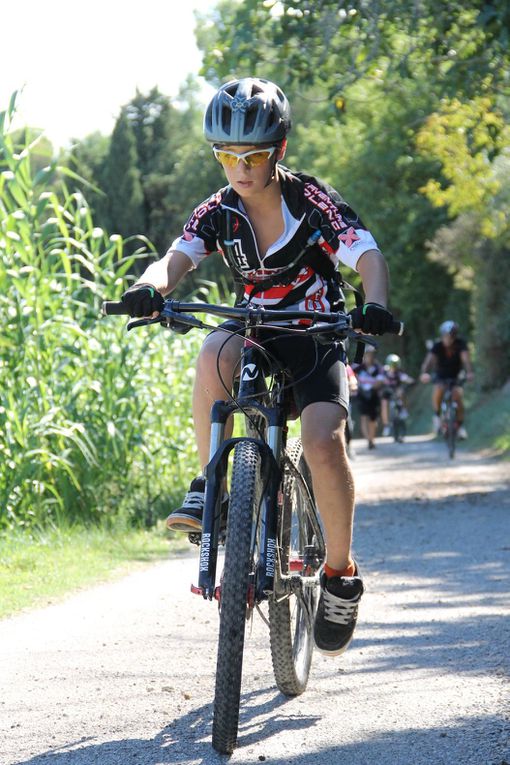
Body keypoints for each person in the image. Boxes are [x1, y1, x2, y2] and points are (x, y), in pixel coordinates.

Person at [119, 78, 396, 657]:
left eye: (254, 155)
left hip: (316, 334)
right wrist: (147, 289)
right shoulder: (217, 212)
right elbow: (174, 260)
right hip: (256, 331)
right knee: (212, 351)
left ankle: (340, 576)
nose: (240, 169)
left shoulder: (312, 201)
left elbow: (367, 254)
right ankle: (210, 486)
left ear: (280, 151)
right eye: (227, 156)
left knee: (323, 442)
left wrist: (374, 304)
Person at [420, 321, 474, 438]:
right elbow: (428, 361)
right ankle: (437, 416)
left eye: (452, 336)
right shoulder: (437, 346)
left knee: (458, 397)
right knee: (438, 391)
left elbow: (466, 360)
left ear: (455, 336)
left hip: (456, 375)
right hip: (441, 375)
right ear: (442, 335)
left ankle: (460, 427)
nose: (449, 338)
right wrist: (424, 373)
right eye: (447, 336)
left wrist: (469, 373)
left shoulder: (461, 344)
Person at [353, 346, 386, 449]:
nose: (369, 357)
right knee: (364, 417)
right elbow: (350, 375)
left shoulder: (378, 368)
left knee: (373, 419)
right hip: (362, 395)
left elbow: (380, 382)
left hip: (374, 395)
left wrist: (372, 387)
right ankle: (368, 440)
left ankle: (372, 439)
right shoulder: (358, 367)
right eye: (367, 354)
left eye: (371, 355)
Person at [380, 353, 414, 437]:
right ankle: (386, 425)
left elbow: (406, 378)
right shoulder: (384, 371)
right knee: (384, 403)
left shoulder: (399, 372)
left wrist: (411, 381)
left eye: (395, 364)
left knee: (401, 392)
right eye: (392, 364)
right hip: (387, 392)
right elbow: (378, 379)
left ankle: (404, 410)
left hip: (397, 391)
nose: (393, 366)